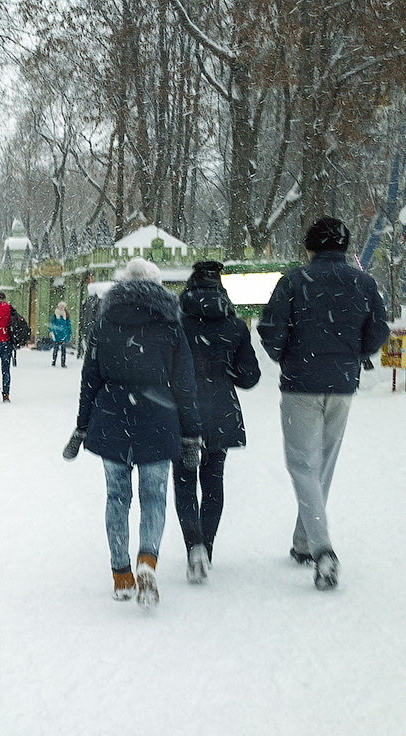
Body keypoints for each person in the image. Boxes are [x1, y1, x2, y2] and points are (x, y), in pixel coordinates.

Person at [257, 217, 389, 590]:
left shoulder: (295, 281)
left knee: (302, 464)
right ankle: (304, 543)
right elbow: (377, 330)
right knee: (323, 464)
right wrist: (354, 353)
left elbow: (271, 329)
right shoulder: (363, 283)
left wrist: (285, 355)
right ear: (344, 247)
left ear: (310, 247)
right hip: (343, 382)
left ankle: (322, 549)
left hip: (301, 383)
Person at [62, 258, 201, 607]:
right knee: (154, 496)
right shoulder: (170, 324)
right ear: (157, 285)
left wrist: (82, 426)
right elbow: (185, 383)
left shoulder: (105, 321)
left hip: (112, 417)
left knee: (117, 498)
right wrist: (191, 433)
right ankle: (147, 562)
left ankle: (122, 575)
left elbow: (89, 379)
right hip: (159, 415)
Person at [173, 261, 261, 582]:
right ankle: (206, 548)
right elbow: (250, 377)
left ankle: (192, 545)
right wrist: (226, 370)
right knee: (213, 483)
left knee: (184, 483)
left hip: (182, 413)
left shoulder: (176, 324)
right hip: (221, 412)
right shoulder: (235, 326)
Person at [49, 301, 72, 368]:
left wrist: (69, 333)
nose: (61, 308)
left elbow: (69, 325)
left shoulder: (66, 315)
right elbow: (52, 324)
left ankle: (63, 363)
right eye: (60, 306)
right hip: (56, 335)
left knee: (63, 350)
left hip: (64, 335)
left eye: (63, 307)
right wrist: (52, 332)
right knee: (55, 349)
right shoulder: (55, 315)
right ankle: (54, 362)